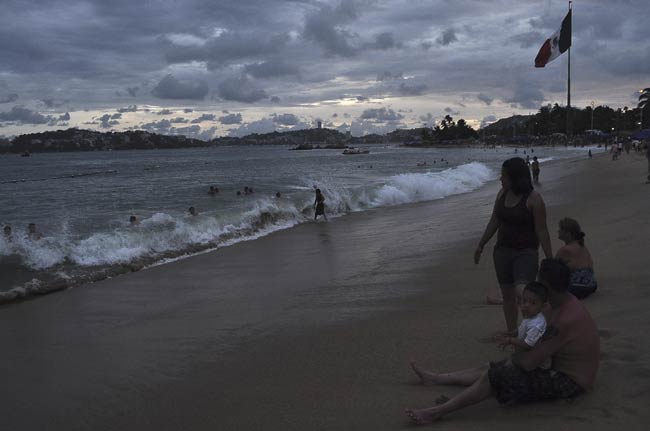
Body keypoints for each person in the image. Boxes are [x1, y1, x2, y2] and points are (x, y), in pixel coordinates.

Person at [405, 259, 599, 425]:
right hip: (556, 367)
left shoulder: (565, 319)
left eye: (539, 283)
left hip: (570, 382)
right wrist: (514, 336)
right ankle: (437, 378)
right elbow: (536, 328)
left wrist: (513, 346)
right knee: (490, 367)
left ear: (548, 288)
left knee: (497, 374)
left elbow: (527, 362)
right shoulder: (562, 301)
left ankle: (437, 412)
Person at [474, 157, 552, 332]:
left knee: (523, 293)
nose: (500, 179)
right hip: (502, 252)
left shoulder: (534, 199)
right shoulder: (501, 194)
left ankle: (539, 327)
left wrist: (550, 258)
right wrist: (481, 244)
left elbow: (542, 231)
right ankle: (513, 333)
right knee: (508, 296)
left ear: (515, 178)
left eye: (504, 176)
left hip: (526, 252)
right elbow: (494, 220)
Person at [495, 282, 551, 369]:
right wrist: (513, 333)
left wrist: (511, 340)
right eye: (524, 301)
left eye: (533, 303)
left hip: (534, 366)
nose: (526, 305)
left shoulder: (537, 325)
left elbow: (528, 344)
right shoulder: (531, 316)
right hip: (524, 358)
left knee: (497, 371)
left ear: (543, 306)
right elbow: (524, 329)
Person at [555, 217, 597, 299]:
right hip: (592, 284)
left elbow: (552, 269)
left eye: (561, 229)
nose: (558, 231)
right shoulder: (583, 247)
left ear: (568, 234)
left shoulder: (565, 250)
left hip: (578, 287)